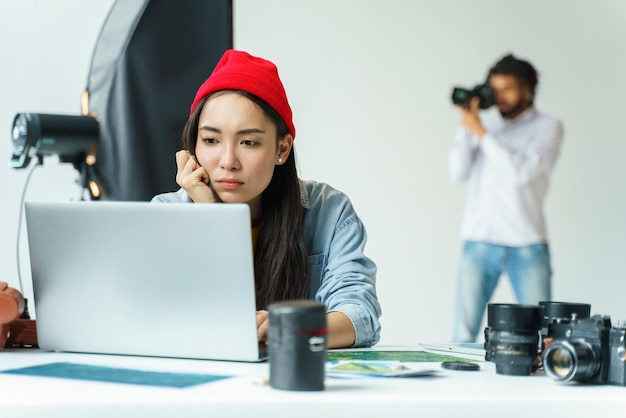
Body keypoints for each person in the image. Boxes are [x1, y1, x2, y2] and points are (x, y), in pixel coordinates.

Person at [152, 49, 381, 349]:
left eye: (249, 142)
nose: (228, 161)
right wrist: (209, 214)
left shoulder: (329, 212)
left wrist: (293, 327)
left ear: (281, 149)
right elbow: (160, 319)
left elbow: (360, 316)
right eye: (210, 140)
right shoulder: (166, 215)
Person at [449, 54, 564, 343]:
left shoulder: (548, 127)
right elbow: (456, 171)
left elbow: (521, 174)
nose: (499, 96)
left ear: (527, 89)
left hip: (526, 244)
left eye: (507, 88)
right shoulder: (485, 127)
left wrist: (480, 132)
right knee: (463, 334)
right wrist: (467, 126)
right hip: (479, 240)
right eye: (494, 88)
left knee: (542, 335)